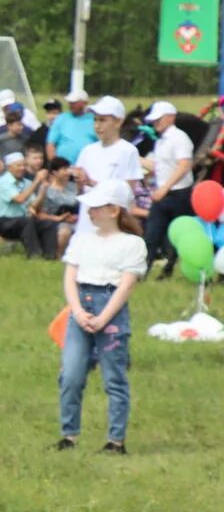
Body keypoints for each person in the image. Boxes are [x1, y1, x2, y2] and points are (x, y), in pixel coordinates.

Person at [57, 180, 145, 455]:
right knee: (70, 374)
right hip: (81, 305)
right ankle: (68, 435)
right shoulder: (82, 240)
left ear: (114, 210)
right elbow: (70, 277)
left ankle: (115, 440)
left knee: (114, 377)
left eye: (96, 207)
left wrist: (104, 317)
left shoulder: (133, 244)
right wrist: (78, 311)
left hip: (111, 309)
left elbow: (126, 285)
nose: (91, 212)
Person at [68, 97, 145, 247]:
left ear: (118, 122)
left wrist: (92, 182)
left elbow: (128, 193)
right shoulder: (87, 151)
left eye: (103, 120)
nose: (97, 126)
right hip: (87, 220)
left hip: (111, 223)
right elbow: (81, 193)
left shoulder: (127, 151)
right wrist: (80, 182)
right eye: (95, 120)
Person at [140, 99, 196, 278]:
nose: (156, 122)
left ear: (171, 117)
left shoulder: (179, 138)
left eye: (159, 118)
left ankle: (169, 268)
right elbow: (158, 166)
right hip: (162, 193)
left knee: (177, 235)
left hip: (179, 193)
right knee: (152, 232)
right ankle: (144, 269)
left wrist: (165, 187)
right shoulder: (161, 141)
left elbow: (184, 165)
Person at [0, 150, 40, 256]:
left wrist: (43, 188)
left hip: (22, 220)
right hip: (5, 222)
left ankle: (50, 254)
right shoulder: (3, 182)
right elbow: (20, 199)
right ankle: (34, 255)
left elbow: (34, 204)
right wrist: (37, 182)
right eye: (18, 165)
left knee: (46, 223)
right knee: (26, 222)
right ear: (9, 167)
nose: (22, 168)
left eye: (23, 165)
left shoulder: (27, 183)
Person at [29, 152, 75, 260]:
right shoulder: (46, 189)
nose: (68, 172)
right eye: (64, 169)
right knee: (64, 231)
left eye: (68, 168)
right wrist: (58, 218)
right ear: (54, 172)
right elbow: (38, 213)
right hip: (53, 222)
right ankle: (58, 256)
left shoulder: (73, 187)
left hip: (75, 220)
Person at [47, 89, 96, 164]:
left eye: (74, 103)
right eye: (70, 102)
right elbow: (51, 143)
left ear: (84, 103)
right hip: (63, 168)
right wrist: (54, 165)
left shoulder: (94, 120)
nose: (71, 105)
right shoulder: (62, 118)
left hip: (87, 166)